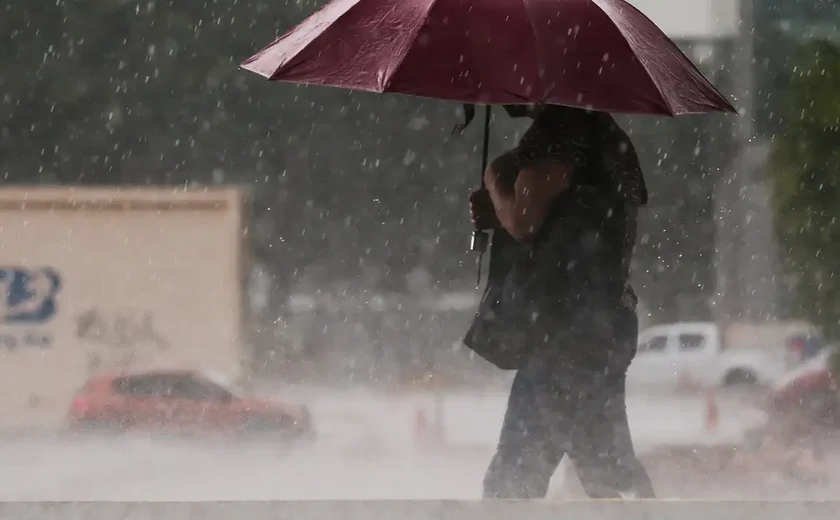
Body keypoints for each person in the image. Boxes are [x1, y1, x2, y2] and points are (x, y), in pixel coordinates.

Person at [467, 104, 655, 499]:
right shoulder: (606, 135)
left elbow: (523, 219)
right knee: (606, 469)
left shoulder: (561, 131)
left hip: (565, 331)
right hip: (598, 326)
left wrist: (496, 180)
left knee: (514, 481)